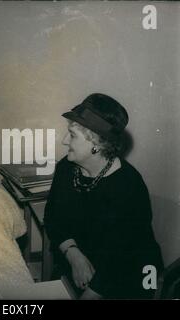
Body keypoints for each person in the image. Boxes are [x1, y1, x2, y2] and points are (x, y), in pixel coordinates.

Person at [44, 93, 163, 299]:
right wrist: (73, 254)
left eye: (72, 135)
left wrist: (89, 294)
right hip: (80, 261)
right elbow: (53, 217)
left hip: (129, 274)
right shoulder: (67, 167)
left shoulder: (128, 186)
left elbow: (120, 258)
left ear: (95, 143)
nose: (64, 141)